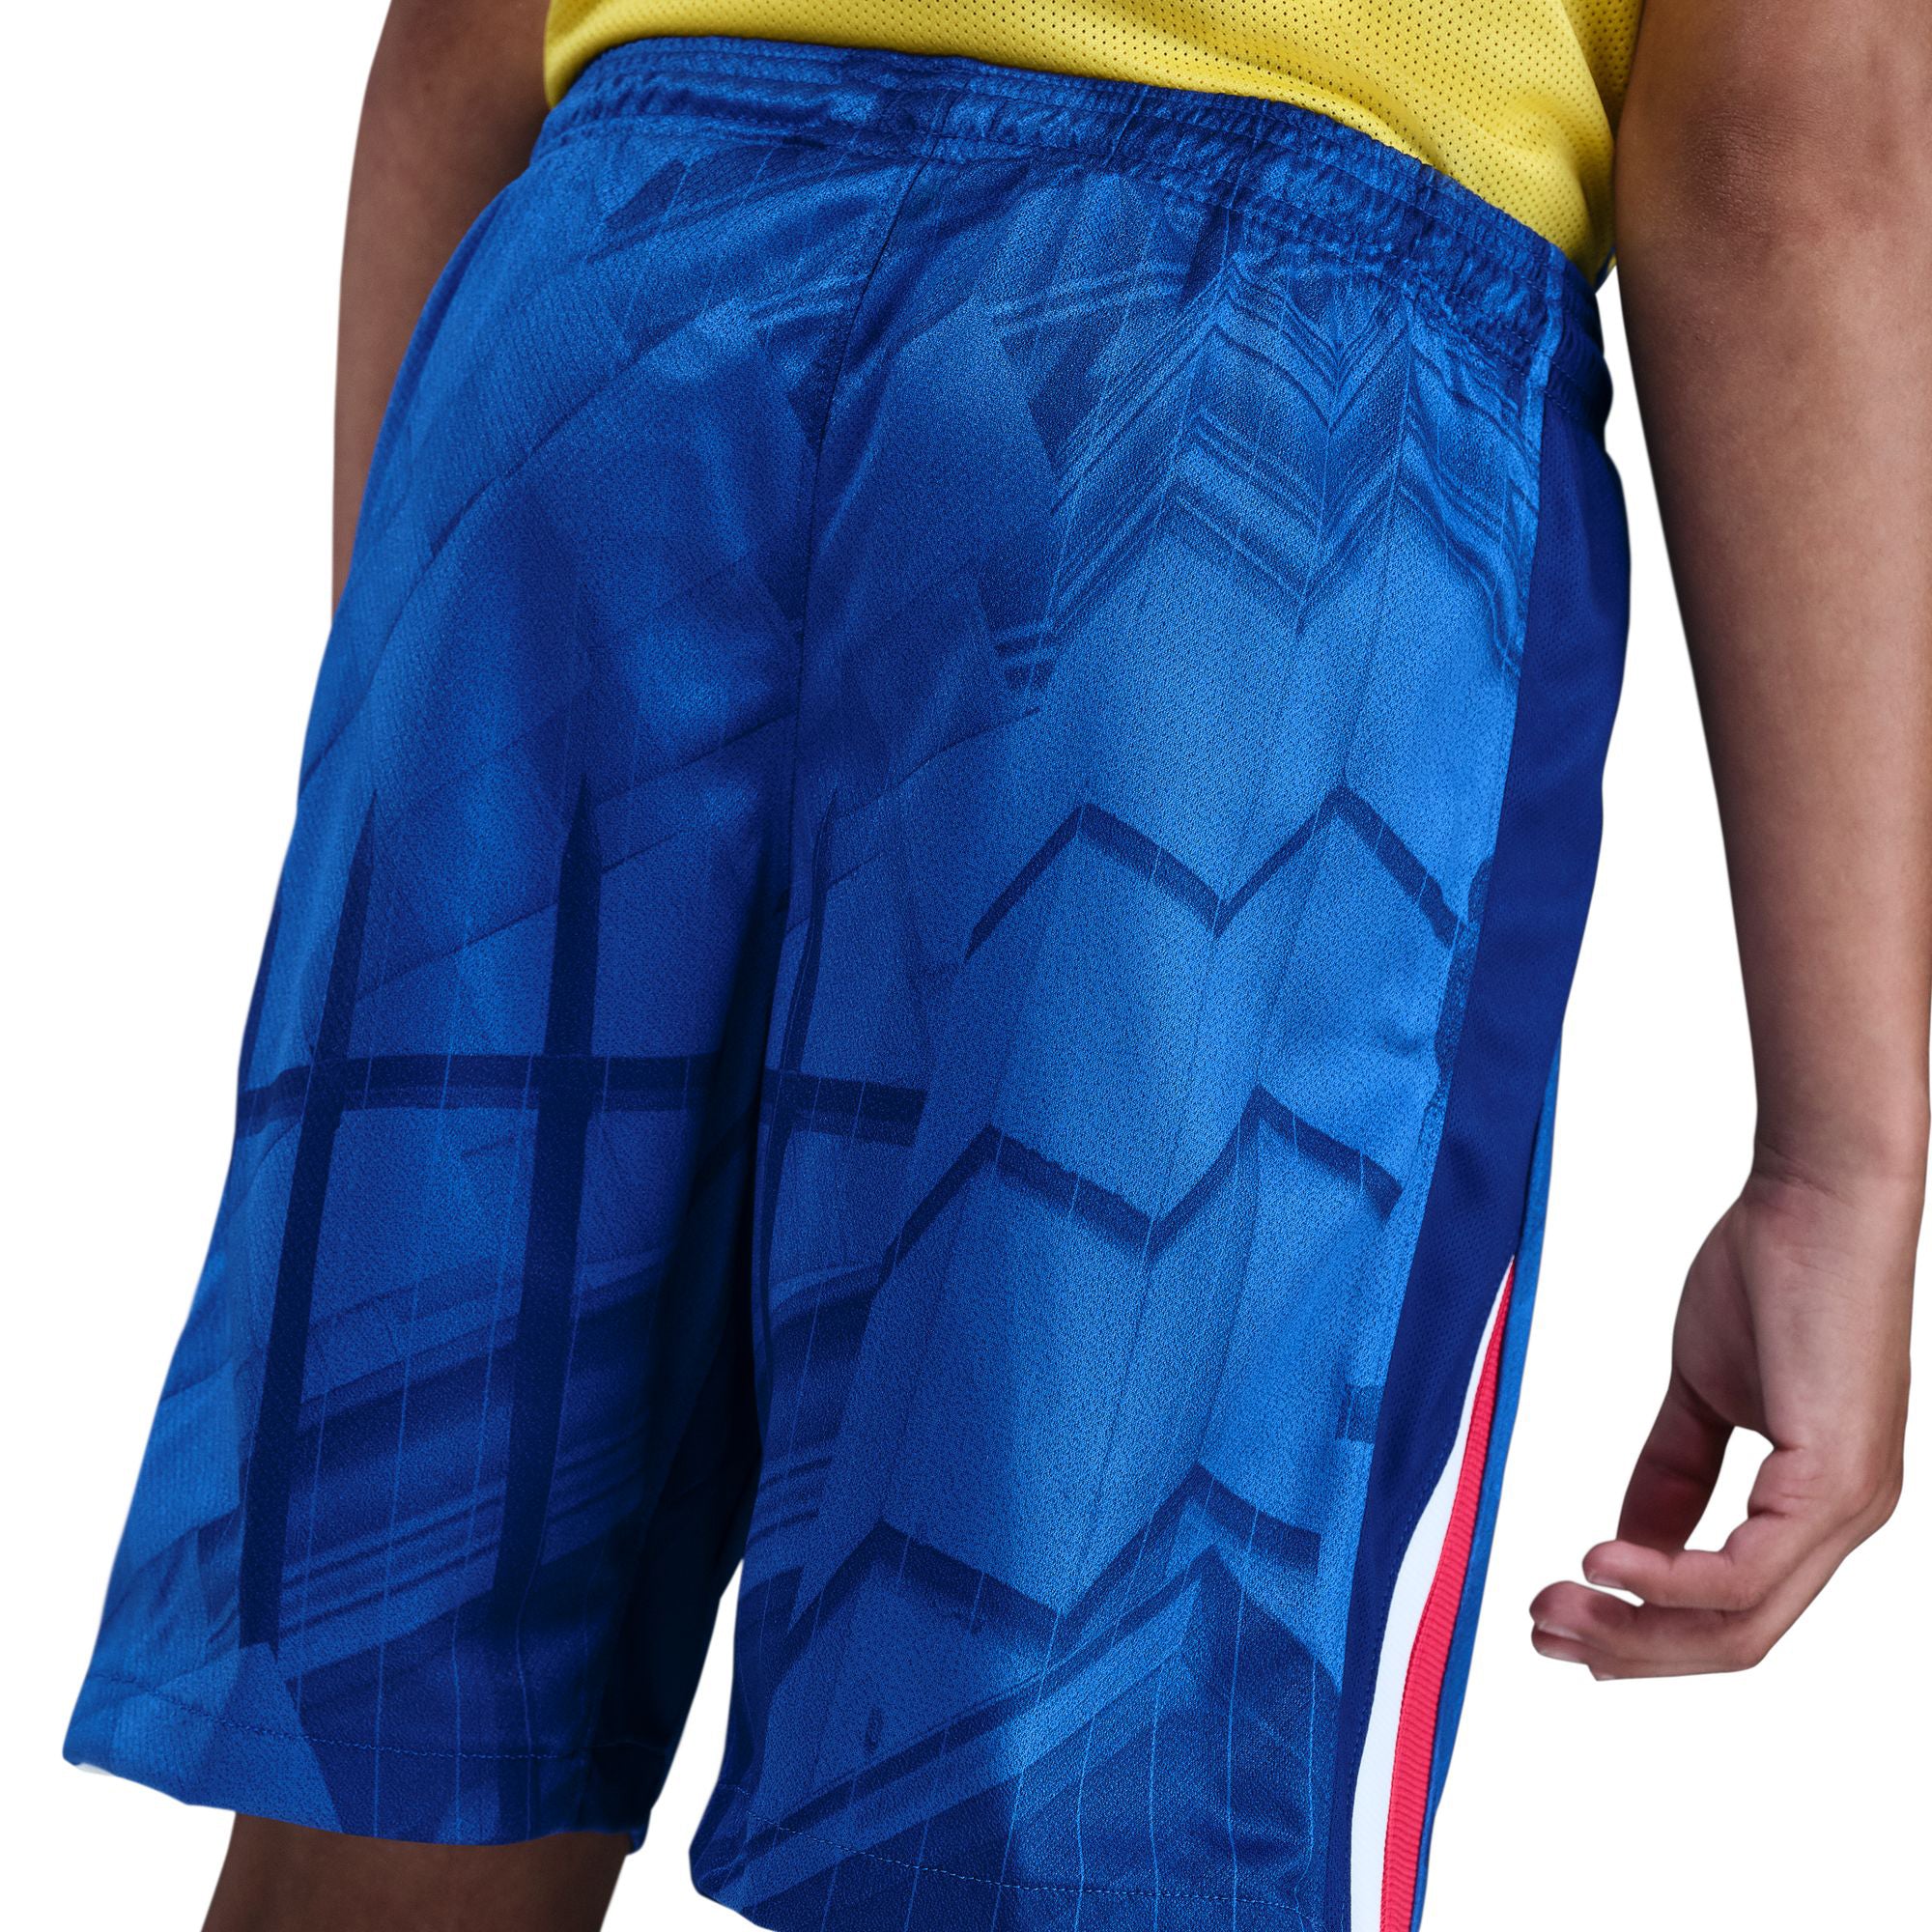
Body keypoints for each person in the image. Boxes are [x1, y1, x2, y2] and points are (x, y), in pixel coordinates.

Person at [64, 3, 1928, 1929]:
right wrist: (1843, 1157)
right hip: (1231, 441)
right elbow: (1789, 137)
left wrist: (421, 763)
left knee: (387, 1773)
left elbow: (463, 41)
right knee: (1077, 1835)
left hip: (600, 323)